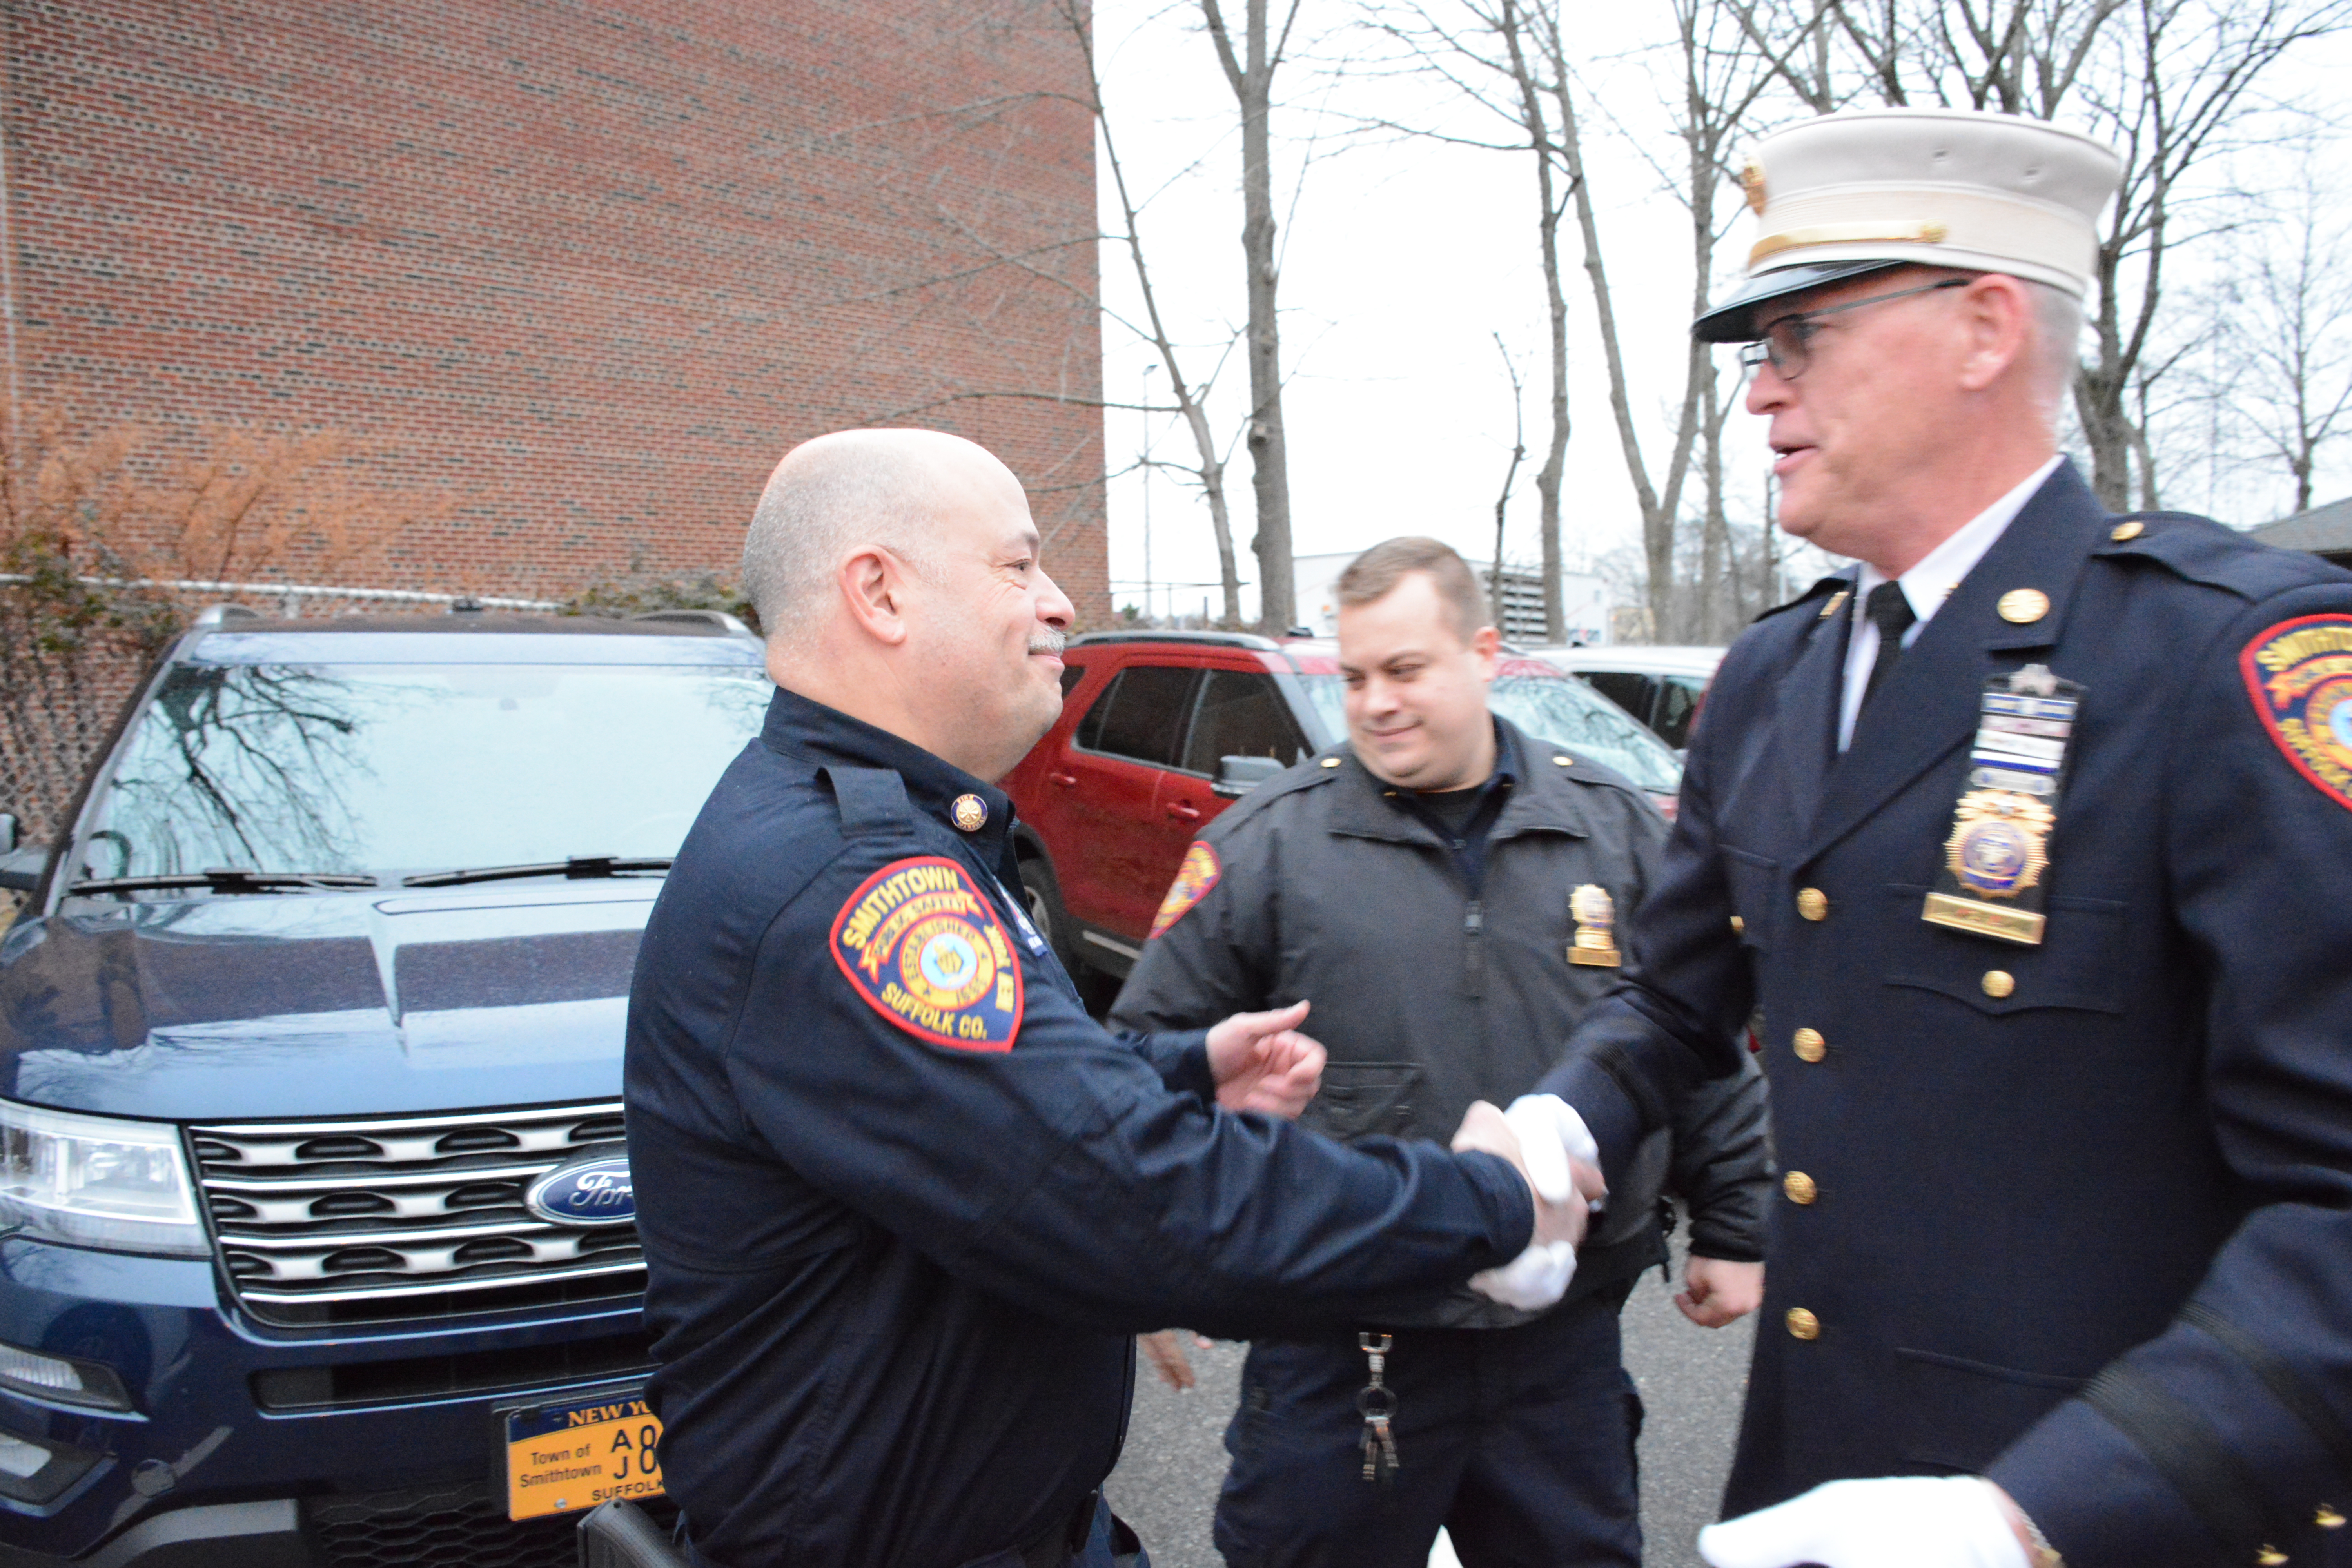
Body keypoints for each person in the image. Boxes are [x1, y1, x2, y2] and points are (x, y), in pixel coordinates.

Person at [1504, 107, 2352, 1568]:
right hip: (1825, 1484)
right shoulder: (1778, 677)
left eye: (1800, 338)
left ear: (1983, 327)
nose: (1761, 397)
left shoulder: (2216, 666)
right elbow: (1676, 994)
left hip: (2115, 1504)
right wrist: (1567, 1117)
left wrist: (2038, 1516)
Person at [623, 428, 1599, 1568]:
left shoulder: (886, 840)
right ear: (880, 593)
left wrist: (1177, 1072)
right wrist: (1484, 1201)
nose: (1058, 602)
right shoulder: (855, 887)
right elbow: (1121, 1196)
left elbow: (978, 1120)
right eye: (1016, 565)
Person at [1109, 537, 1771, 1568]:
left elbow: (1696, 1034)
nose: (1375, 703)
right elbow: (1147, 1060)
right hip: (1345, 1356)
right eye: (1354, 676)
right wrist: (1148, 1265)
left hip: (1561, 1362)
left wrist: (1740, 1222)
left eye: (1405, 670)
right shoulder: (1269, 845)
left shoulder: (1610, 831)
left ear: (1484, 652)